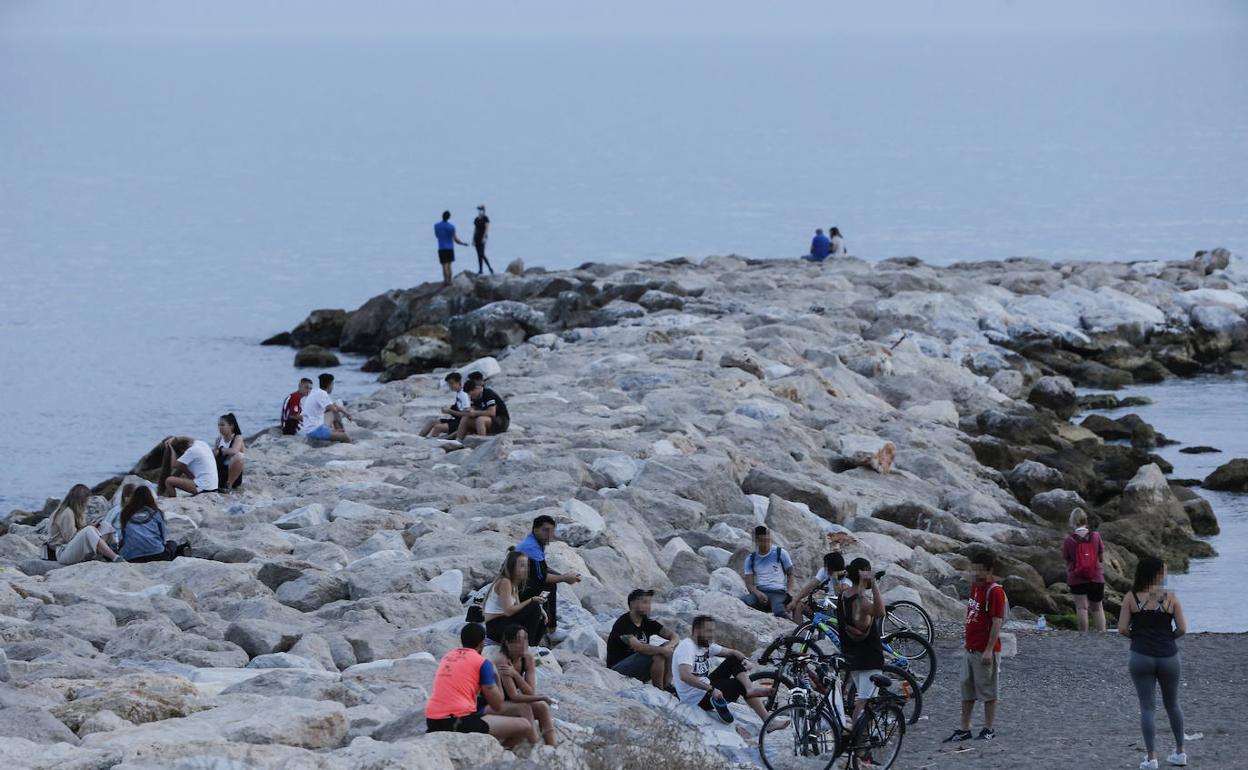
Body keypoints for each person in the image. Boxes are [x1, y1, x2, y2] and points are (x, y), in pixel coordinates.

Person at [1118, 556, 1187, 769]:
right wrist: (1167, 638)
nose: (1166, 575)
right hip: (1168, 656)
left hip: (1141, 656)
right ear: (1156, 574)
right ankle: (1180, 752)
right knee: (1173, 705)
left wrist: (1139, 638)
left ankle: (1151, 758)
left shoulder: (1131, 597)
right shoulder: (1169, 597)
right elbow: (1182, 629)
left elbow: (1122, 629)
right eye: (1164, 571)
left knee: (1147, 708)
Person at [425, 623, 537, 748]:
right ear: (483, 643)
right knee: (524, 725)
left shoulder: (447, 657)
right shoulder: (482, 663)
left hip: (431, 719)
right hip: (457, 721)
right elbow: (497, 704)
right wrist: (496, 676)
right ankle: (501, 754)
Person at [673, 615, 785, 729]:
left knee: (733, 659)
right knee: (739, 684)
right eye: (708, 631)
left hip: (703, 688)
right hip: (695, 699)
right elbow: (685, 676)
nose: (712, 635)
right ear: (697, 631)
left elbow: (732, 652)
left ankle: (750, 689)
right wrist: (711, 689)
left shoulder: (703, 644)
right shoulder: (687, 647)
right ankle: (769, 722)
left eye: (712, 631)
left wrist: (744, 660)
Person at [944, 550, 1006, 743]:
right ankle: (965, 728)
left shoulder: (995, 591)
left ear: (989, 571)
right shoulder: (975, 587)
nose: (976, 574)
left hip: (986, 651)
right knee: (967, 690)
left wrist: (988, 650)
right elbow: (972, 612)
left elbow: (997, 622)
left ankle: (988, 728)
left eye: (980, 570)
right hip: (970, 648)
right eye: (974, 569)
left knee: (988, 691)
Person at [837, 558, 886, 728]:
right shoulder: (861, 601)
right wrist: (874, 584)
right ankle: (854, 740)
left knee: (863, 697)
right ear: (865, 573)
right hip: (869, 657)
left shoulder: (843, 596)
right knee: (865, 702)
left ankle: (860, 741)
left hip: (852, 657)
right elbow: (881, 612)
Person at [516, 515, 581, 639]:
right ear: (535, 530)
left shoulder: (535, 541)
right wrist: (565, 578)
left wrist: (564, 575)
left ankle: (546, 623)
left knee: (551, 582)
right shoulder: (532, 547)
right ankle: (551, 628)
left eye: (551, 531)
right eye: (545, 530)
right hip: (517, 588)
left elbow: (542, 569)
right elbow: (542, 577)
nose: (550, 534)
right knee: (549, 586)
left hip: (523, 581)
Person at [491, 625, 557, 746]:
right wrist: (542, 697)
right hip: (495, 704)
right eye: (518, 640)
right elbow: (514, 696)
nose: (523, 644)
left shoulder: (527, 658)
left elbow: (530, 692)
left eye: (525, 639)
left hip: (511, 702)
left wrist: (515, 675)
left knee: (543, 707)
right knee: (525, 706)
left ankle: (552, 747)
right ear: (507, 643)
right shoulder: (502, 660)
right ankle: (535, 744)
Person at [606, 589, 679, 689]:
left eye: (649, 603)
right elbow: (638, 647)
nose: (648, 606)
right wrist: (663, 650)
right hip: (617, 670)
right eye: (644, 602)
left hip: (638, 667)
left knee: (672, 648)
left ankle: (667, 685)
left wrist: (669, 646)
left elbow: (674, 636)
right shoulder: (623, 623)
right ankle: (660, 690)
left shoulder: (646, 622)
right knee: (658, 655)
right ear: (632, 604)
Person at [44, 484, 123, 564]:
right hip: (62, 552)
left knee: (105, 526)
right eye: (86, 499)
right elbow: (70, 538)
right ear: (80, 500)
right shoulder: (67, 512)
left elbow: (79, 533)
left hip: (71, 549)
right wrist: (90, 527)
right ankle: (115, 558)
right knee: (89, 530)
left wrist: (92, 526)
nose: (87, 502)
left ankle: (103, 554)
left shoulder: (76, 511)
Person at [483, 548, 548, 644]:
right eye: (522, 566)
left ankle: (533, 646)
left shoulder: (514, 584)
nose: (526, 569)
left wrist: (540, 610)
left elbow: (518, 607)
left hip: (504, 623)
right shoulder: (505, 582)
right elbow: (509, 611)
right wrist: (532, 600)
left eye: (527, 566)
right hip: (495, 628)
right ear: (512, 567)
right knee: (534, 607)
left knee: (541, 615)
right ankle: (528, 646)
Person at [1062, 508, 1106, 633]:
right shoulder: (1096, 536)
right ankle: (1102, 634)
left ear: (1072, 522)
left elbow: (1066, 558)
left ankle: (1083, 636)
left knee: (1081, 607)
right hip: (1096, 576)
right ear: (1085, 520)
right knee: (1097, 608)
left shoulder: (1068, 540)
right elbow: (1101, 557)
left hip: (1077, 577)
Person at [117, 486, 187, 562]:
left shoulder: (125, 513)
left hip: (131, 557)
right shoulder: (156, 512)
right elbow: (163, 537)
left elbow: (122, 537)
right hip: (157, 555)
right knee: (172, 544)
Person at [741, 525, 794, 618]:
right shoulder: (751, 559)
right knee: (743, 602)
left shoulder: (780, 553)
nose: (765, 543)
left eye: (767, 540)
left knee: (779, 611)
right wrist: (757, 593)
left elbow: (791, 575)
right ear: (756, 541)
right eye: (762, 541)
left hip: (779, 592)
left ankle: (793, 628)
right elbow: (749, 584)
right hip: (761, 591)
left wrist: (788, 593)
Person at [789, 551, 850, 622]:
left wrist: (835, 578)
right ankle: (800, 631)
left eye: (826, 566)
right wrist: (795, 600)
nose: (825, 568)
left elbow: (840, 596)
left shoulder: (847, 577)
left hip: (837, 610)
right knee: (798, 606)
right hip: (824, 605)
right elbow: (810, 587)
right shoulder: (824, 571)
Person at [299, 373, 352, 443]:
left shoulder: (316, 391)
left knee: (333, 413)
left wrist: (346, 413)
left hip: (313, 426)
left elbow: (333, 405)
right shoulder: (322, 394)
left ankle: (338, 432)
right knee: (346, 437)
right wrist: (345, 415)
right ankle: (341, 435)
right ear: (329, 385)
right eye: (332, 384)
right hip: (315, 430)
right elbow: (334, 409)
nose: (333, 387)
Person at [421, 372, 471, 438]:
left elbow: (466, 414)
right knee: (431, 421)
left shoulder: (464, 395)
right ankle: (418, 438)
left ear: (459, 382)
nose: (450, 386)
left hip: (461, 423)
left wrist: (450, 411)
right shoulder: (458, 393)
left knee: (438, 427)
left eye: (451, 383)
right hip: (456, 420)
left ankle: (431, 444)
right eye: (449, 384)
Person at [435, 210, 470, 288]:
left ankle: (445, 281)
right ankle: (450, 281)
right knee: (449, 265)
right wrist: (463, 244)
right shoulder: (451, 227)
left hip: (441, 247)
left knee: (444, 265)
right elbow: (455, 239)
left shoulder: (436, 226)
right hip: (449, 247)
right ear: (449, 217)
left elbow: (437, 235)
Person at [213, 413, 246, 491]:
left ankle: (229, 485)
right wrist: (216, 449)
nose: (220, 427)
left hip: (233, 475)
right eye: (219, 425)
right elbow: (214, 455)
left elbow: (234, 451)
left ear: (231, 426)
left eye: (222, 425)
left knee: (239, 456)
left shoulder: (238, 437)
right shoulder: (219, 439)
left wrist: (221, 450)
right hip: (220, 472)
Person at [473, 205, 494, 275]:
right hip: (477, 237)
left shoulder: (485, 218)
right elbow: (475, 229)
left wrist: (484, 237)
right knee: (478, 254)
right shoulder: (476, 219)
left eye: (481, 210)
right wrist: (473, 239)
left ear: (484, 211)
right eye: (479, 210)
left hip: (482, 237)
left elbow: (486, 228)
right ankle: (480, 270)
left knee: (481, 254)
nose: (480, 211)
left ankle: (490, 268)